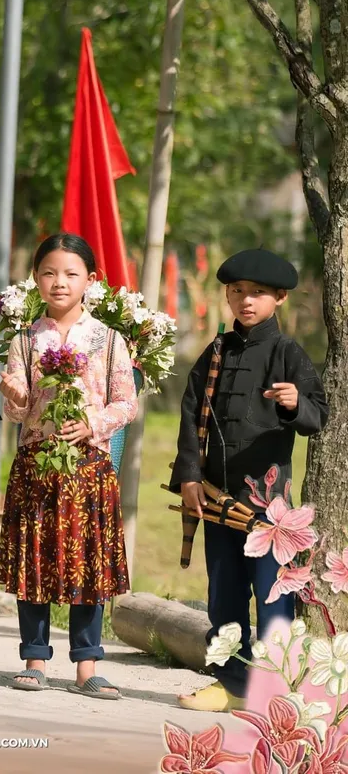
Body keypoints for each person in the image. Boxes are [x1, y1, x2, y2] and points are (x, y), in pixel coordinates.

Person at [172, 248, 328, 712]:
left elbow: (316, 418)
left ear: (279, 298)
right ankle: (231, 682)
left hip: (268, 507)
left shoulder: (287, 354)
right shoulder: (215, 351)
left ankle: (275, 691)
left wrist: (294, 401)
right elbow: (188, 411)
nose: (246, 301)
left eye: (257, 293)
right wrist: (189, 477)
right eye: (237, 292)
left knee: (274, 594)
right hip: (218, 497)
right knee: (224, 591)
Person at [0, 233, 136, 700]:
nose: (59, 282)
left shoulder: (110, 340)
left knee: (87, 566)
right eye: (49, 273)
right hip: (36, 464)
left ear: (90, 281)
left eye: (71, 274)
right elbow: (18, 407)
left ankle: (88, 663)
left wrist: (91, 423)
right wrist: (14, 398)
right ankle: (35, 658)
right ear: (36, 279)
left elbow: (126, 404)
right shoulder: (24, 339)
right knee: (34, 561)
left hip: (89, 466)